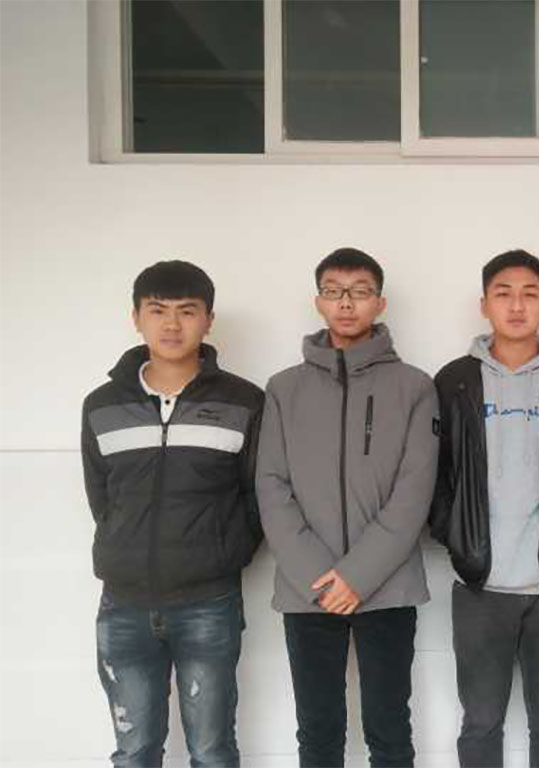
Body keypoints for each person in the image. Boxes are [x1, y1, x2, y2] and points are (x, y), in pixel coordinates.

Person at [257, 247, 438, 768]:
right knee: (317, 732)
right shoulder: (283, 389)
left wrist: (357, 576)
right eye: (334, 291)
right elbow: (271, 484)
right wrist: (320, 578)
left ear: (379, 302)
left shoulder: (414, 386)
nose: (346, 303)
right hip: (307, 590)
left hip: (388, 587)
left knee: (389, 729)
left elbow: (415, 490)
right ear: (318, 301)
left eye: (359, 292)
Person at [82, 260, 264, 767]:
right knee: (134, 750)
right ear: (136, 318)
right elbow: (102, 497)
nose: (172, 324)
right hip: (123, 605)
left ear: (208, 320)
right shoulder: (101, 406)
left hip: (209, 602)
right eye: (157, 310)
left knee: (211, 749)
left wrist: (226, 553)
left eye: (187, 311)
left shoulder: (244, 401)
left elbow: (256, 494)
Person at [430, 249, 539, 768]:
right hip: (480, 586)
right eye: (503, 293)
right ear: (484, 304)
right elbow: (434, 470)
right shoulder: (454, 379)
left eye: (530, 294)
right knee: (480, 722)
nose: (516, 305)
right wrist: (454, 535)